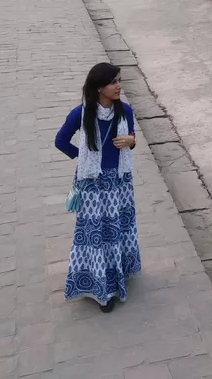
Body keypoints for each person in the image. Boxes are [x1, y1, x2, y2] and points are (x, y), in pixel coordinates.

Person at [55, 63, 141, 312]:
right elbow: (60, 141)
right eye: (113, 82)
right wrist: (82, 158)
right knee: (96, 235)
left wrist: (131, 141)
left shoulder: (124, 110)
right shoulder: (81, 114)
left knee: (118, 230)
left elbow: (130, 139)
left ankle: (118, 277)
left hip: (120, 181)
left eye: (119, 80)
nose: (119, 86)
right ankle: (101, 288)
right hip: (93, 184)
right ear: (99, 87)